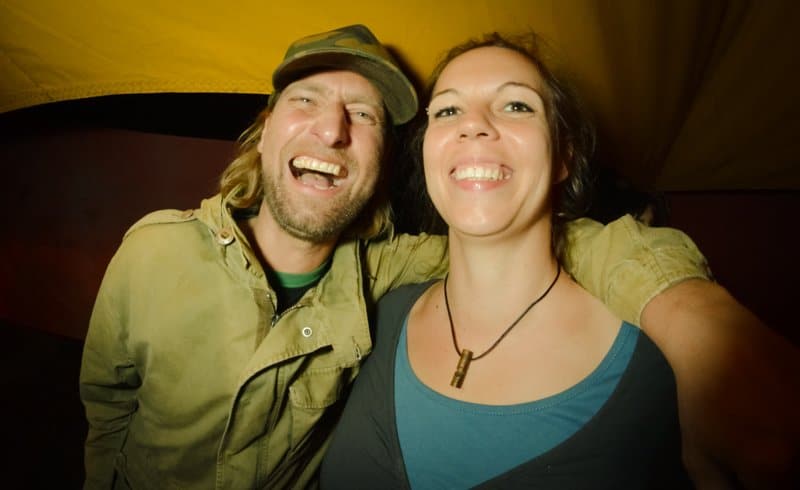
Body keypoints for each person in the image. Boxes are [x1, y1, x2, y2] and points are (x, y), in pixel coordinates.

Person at [77, 24, 737, 489]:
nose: (332, 129)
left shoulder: (383, 274)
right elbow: (107, 407)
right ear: (266, 127)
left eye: (363, 116)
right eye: (305, 100)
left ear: (385, 160)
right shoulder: (154, 250)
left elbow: (515, 234)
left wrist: (686, 311)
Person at [320, 32, 800, 490]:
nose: (474, 124)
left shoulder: (664, 363)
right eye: (448, 109)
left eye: (516, 105)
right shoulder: (375, 317)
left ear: (564, 156)